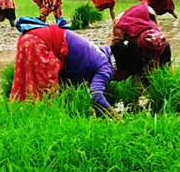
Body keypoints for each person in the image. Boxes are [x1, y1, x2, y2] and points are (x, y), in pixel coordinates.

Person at [9, 17, 145, 115]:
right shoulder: (106, 69)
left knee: (28, 88)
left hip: (32, 36)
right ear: (123, 69)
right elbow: (96, 95)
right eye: (126, 76)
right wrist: (116, 117)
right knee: (46, 99)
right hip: (39, 43)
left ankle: (19, 114)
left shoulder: (104, 51)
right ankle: (39, 124)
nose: (122, 80)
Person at [112, 3, 171, 72]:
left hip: (147, 13)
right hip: (124, 20)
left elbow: (166, 66)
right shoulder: (127, 37)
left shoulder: (162, 42)